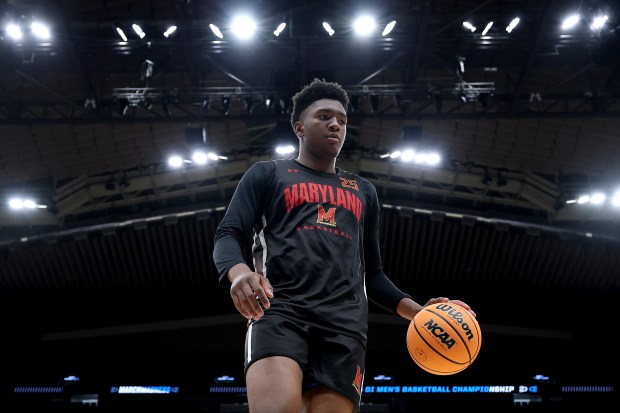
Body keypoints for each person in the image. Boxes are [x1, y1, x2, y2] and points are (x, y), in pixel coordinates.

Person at [212, 78, 475, 413]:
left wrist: (420, 312)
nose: (335, 123)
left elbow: (374, 275)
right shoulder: (268, 174)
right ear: (299, 128)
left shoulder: (364, 191)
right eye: (323, 116)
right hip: (280, 312)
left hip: (345, 329)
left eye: (341, 119)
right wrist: (238, 273)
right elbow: (228, 233)